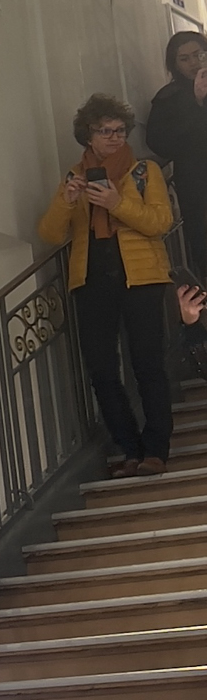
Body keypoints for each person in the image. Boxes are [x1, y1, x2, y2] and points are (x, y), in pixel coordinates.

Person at [37, 94, 176, 478]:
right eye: (105, 131)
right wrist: (67, 200)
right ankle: (128, 449)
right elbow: (49, 233)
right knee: (101, 370)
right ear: (88, 136)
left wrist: (116, 203)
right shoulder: (75, 176)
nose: (114, 138)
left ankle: (156, 449)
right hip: (92, 280)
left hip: (142, 278)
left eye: (119, 131)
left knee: (147, 363)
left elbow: (160, 223)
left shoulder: (144, 171)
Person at [145, 29, 207, 281]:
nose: (194, 63)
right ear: (174, 64)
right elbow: (159, 143)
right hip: (199, 189)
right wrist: (196, 102)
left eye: (199, 54)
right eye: (185, 58)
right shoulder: (168, 98)